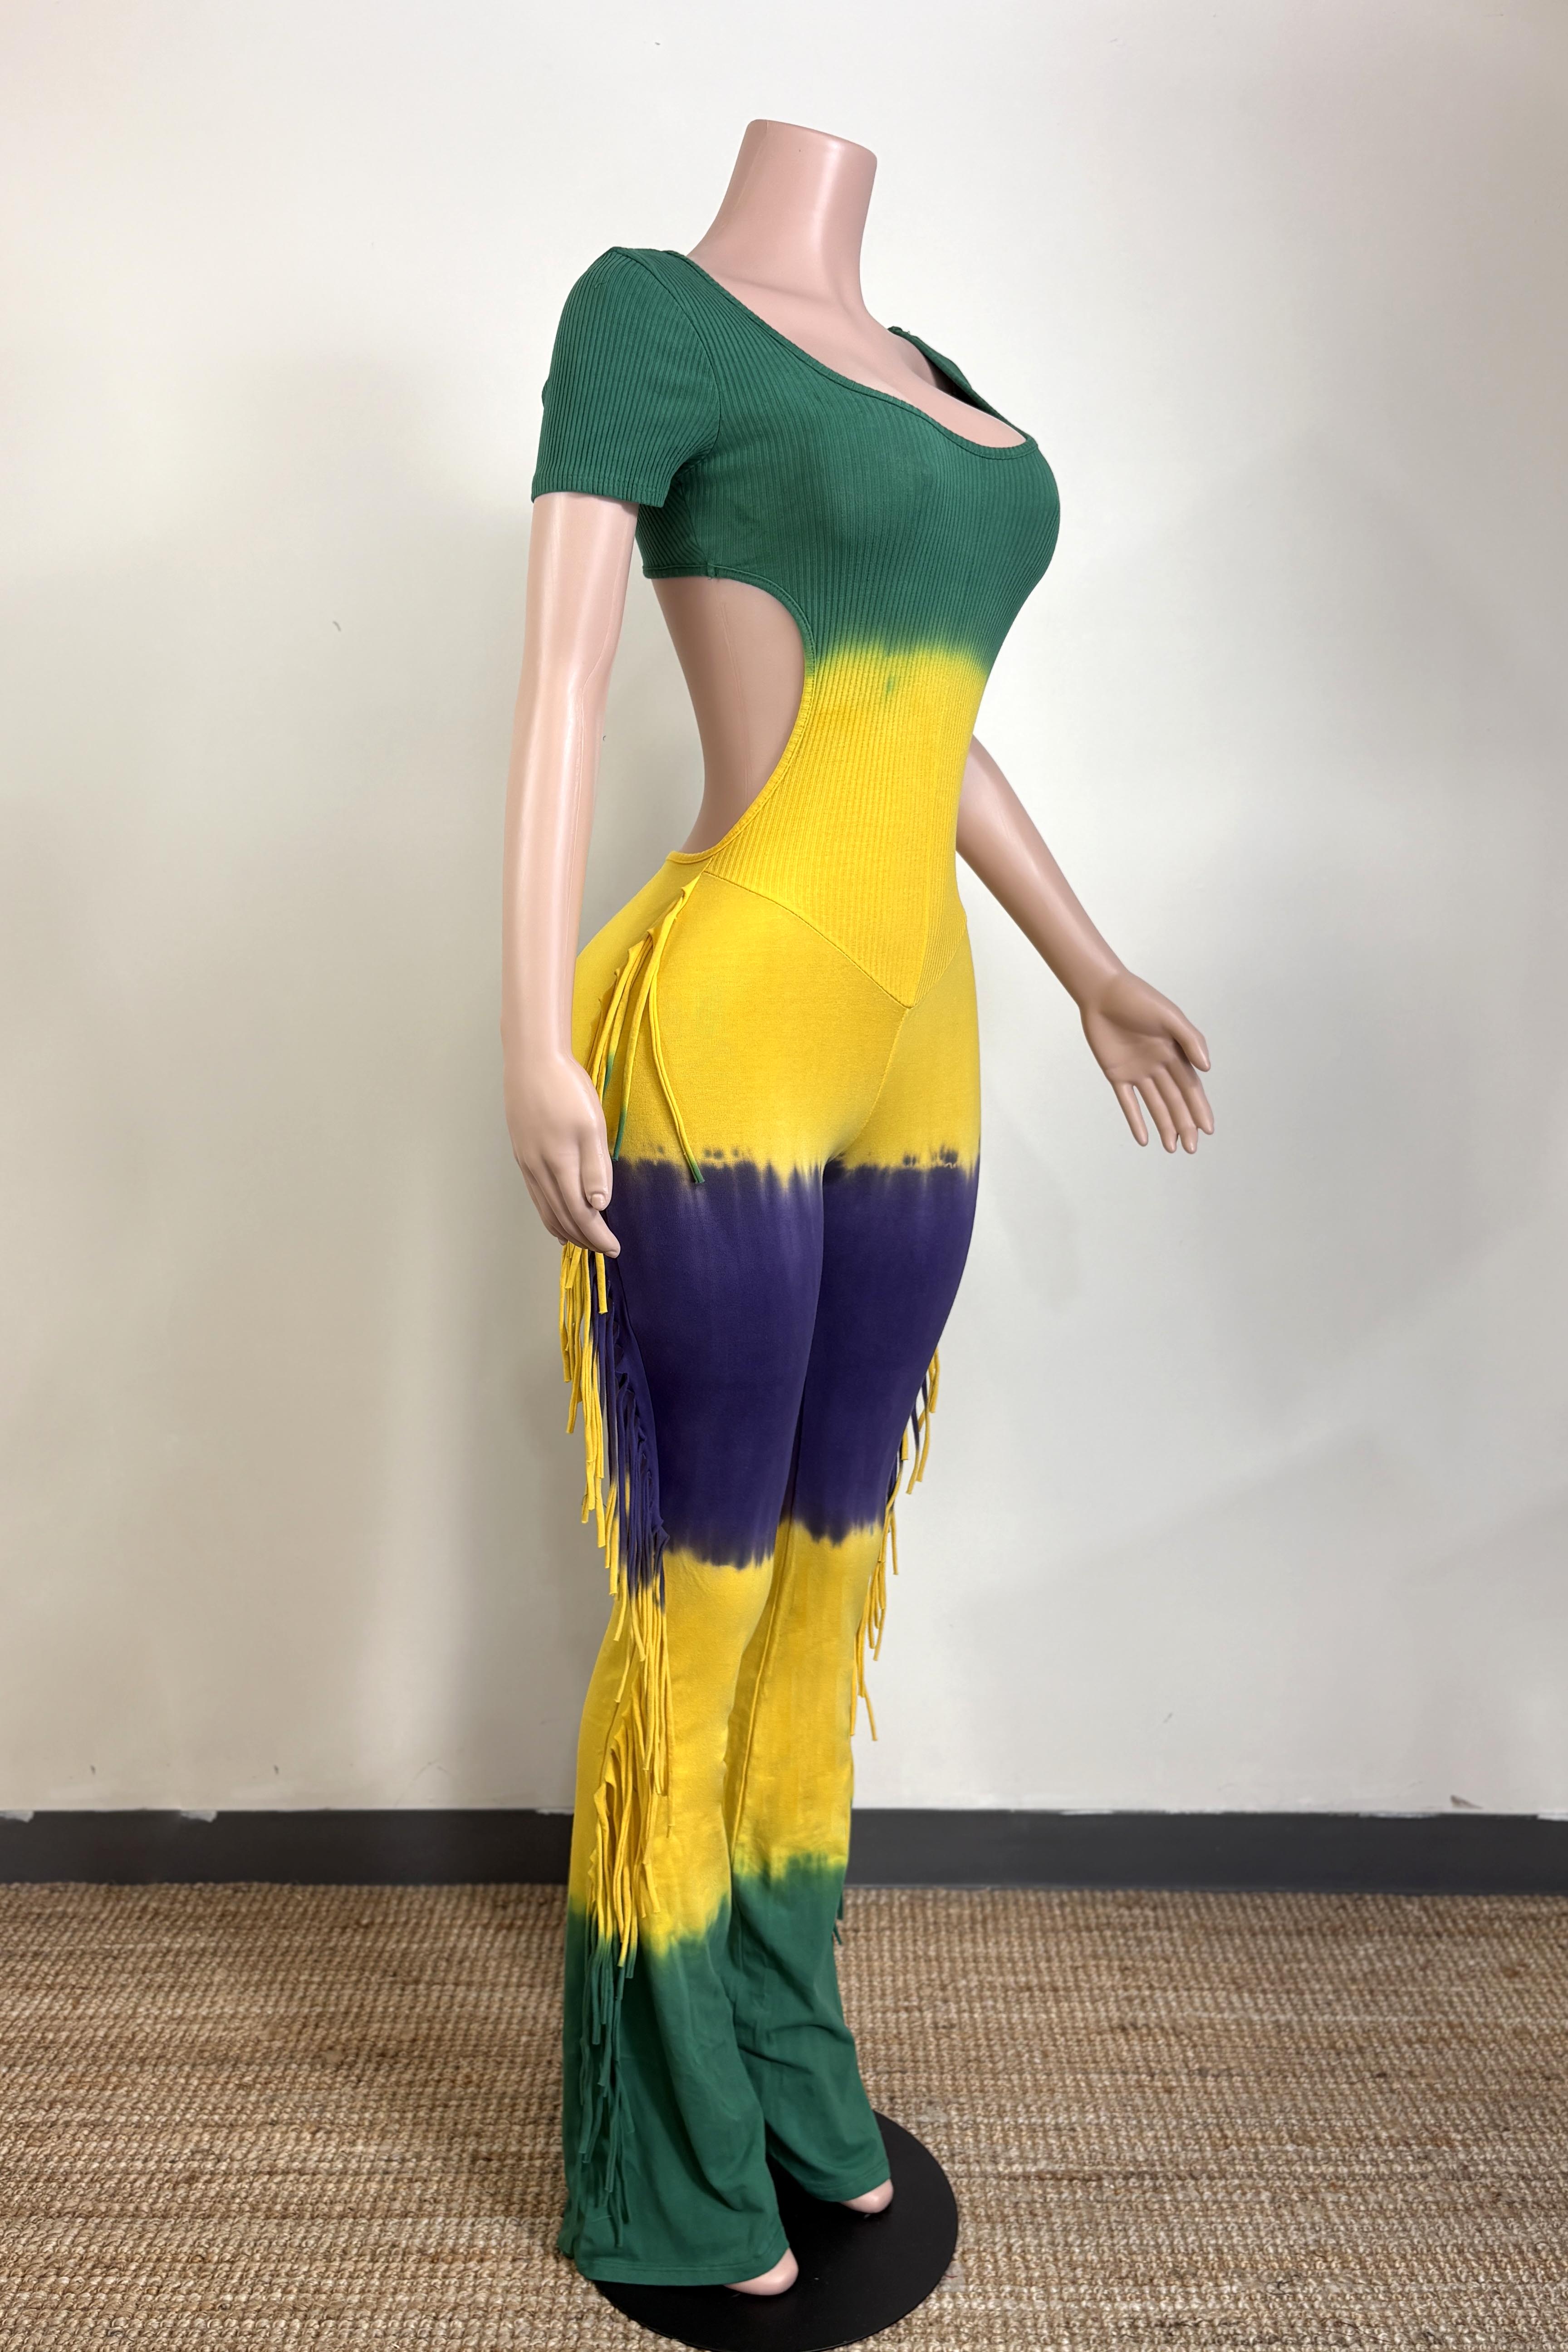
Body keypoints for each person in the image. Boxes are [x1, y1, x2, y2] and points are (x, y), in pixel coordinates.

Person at [500, 118, 1214, 2296]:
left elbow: (938, 730)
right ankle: (667, 2131)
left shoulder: (930, 372)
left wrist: (1092, 964)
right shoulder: (650, 313)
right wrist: (531, 1035)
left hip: (926, 1035)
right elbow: (562, 683)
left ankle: (790, 2039)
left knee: (832, 1572)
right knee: (701, 1589)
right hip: (735, 1014)